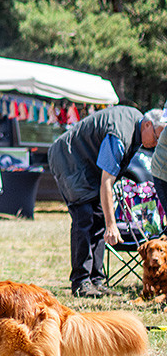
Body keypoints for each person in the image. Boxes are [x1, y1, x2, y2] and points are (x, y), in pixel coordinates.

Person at [47, 106, 165, 298]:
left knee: (99, 217)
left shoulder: (136, 127)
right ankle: (81, 281)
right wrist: (112, 225)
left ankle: (96, 280)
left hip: (87, 163)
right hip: (69, 159)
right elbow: (107, 181)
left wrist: (107, 221)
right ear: (148, 125)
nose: (158, 142)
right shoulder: (119, 135)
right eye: (158, 137)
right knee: (84, 216)